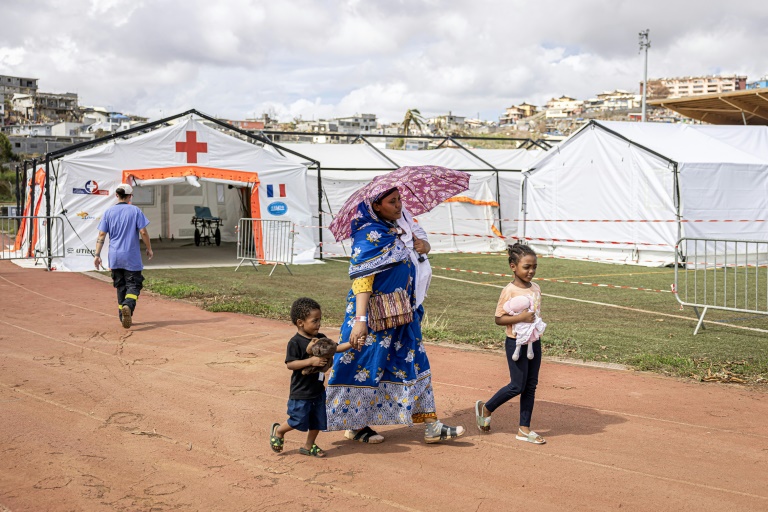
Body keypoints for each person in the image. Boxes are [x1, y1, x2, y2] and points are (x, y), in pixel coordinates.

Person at [326, 187, 465, 444]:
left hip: (403, 314)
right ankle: (356, 426)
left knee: (415, 363)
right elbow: (362, 280)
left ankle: (431, 424)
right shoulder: (369, 234)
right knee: (364, 366)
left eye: (400, 199)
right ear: (376, 206)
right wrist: (360, 322)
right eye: (392, 201)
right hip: (373, 317)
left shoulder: (397, 229)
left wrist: (424, 246)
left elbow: (414, 255)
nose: (399, 205)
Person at [475, 243, 546, 444]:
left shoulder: (536, 288)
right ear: (513, 266)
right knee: (517, 385)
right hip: (515, 344)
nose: (531, 271)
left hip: (534, 343)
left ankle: (524, 429)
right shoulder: (509, 290)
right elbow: (499, 318)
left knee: (531, 386)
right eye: (526, 267)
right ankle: (486, 408)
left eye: (534, 267)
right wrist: (521, 318)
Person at [270, 297, 352, 457]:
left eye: (319, 320)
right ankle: (279, 431)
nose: (319, 324)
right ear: (300, 322)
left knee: (318, 420)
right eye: (315, 321)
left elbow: (334, 348)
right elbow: (291, 364)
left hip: (318, 390)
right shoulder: (295, 342)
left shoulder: (320, 338)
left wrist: (352, 344)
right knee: (298, 419)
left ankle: (309, 445)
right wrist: (311, 361)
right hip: (301, 391)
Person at [94, 183, 153, 329]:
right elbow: (143, 232)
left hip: (114, 257)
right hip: (131, 256)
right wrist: (149, 248)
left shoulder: (108, 212)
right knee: (134, 285)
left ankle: (123, 316)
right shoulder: (135, 211)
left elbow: (102, 234)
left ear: (116, 195)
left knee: (120, 286)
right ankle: (128, 305)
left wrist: (97, 254)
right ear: (129, 196)